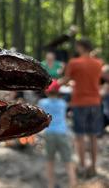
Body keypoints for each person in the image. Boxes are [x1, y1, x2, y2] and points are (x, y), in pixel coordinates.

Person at [59, 38, 103, 177]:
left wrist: (57, 83)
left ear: (81, 47)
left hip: (79, 102)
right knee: (93, 137)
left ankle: (83, 167)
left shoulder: (74, 62)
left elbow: (65, 81)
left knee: (79, 137)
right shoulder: (98, 63)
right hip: (95, 102)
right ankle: (93, 167)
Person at [39, 80, 77, 188]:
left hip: (49, 133)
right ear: (58, 92)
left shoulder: (42, 103)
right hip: (62, 133)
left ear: (47, 91)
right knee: (68, 160)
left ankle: (50, 184)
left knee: (50, 160)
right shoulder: (63, 103)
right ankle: (72, 182)